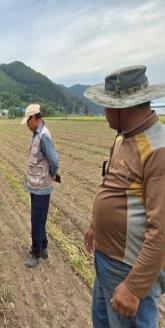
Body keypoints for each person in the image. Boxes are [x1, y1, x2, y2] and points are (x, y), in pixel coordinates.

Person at [83, 65, 165, 327]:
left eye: (107, 106)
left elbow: (161, 231)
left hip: (128, 270)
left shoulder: (157, 150)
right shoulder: (122, 138)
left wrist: (134, 288)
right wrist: (96, 226)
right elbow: (113, 187)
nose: (103, 111)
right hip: (106, 261)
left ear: (124, 108)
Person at [21, 104, 59, 268]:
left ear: (35, 118)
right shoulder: (37, 133)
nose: (27, 125)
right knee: (40, 219)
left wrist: (49, 175)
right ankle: (43, 246)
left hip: (41, 186)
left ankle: (35, 252)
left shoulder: (43, 136)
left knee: (36, 220)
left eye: (28, 121)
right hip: (36, 184)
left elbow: (54, 161)